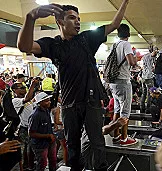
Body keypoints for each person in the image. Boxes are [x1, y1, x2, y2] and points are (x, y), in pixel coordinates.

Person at [17, 1, 129, 170]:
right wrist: (30, 17)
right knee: (73, 147)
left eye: (78, 18)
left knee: (97, 143)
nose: (77, 21)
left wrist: (125, 2)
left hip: (91, 101)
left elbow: (115, 24)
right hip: (69, 104)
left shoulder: (87, 39)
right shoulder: (53, 44)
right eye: (72, 18)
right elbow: (24, 46)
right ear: (59, 21)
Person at [109, 24, 138, 146]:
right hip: (123, 82)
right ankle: (124, 138)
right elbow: (131, 62)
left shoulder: (114, 45)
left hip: (113, 82)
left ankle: (116, 136)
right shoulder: (126, 44)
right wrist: (135, 57)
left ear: (117, 34)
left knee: (116, 109)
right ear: (129, 34)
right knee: (125, 112)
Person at [12, 80, 38, 170]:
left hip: (31, 127)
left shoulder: (29, 100)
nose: (24, 89)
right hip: (24, 128)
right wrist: (32, 85)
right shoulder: (15, 100)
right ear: (15, 90)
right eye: (21, 88)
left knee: (30, 148)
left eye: (24, 87)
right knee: (26, 148)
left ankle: (29, 165)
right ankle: (25, 166)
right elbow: (26, 99)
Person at [28, 92, 56, 171]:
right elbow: (31, 133)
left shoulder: (46, 110)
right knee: (42, 164)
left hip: (50, 142)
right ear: (40, 103)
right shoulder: (35, 115)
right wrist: (48, 136)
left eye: (49, 100)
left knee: (53, 161)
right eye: (46, 101)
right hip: (40, 145)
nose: (49, 102)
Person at [140, 46, 156, 113]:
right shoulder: (150, 55)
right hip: (149, 77)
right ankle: (148, 109)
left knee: (144, 93)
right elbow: (153, 53)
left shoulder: (144, 56)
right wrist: (156, 50)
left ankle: (142, 108)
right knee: (150, 93)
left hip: (143, 77)